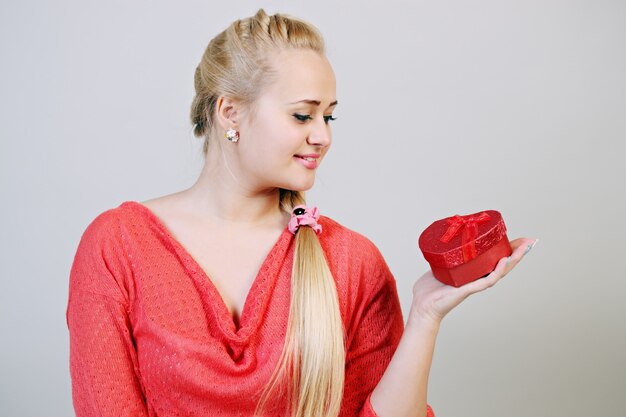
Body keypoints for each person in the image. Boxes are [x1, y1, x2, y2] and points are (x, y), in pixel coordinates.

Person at [66, 8, 535, 417]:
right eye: (302, 115)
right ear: (230, 112)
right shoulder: (117, 246)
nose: (323, 136)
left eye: (328, 116)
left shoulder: (352, 262)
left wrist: (425, 317)